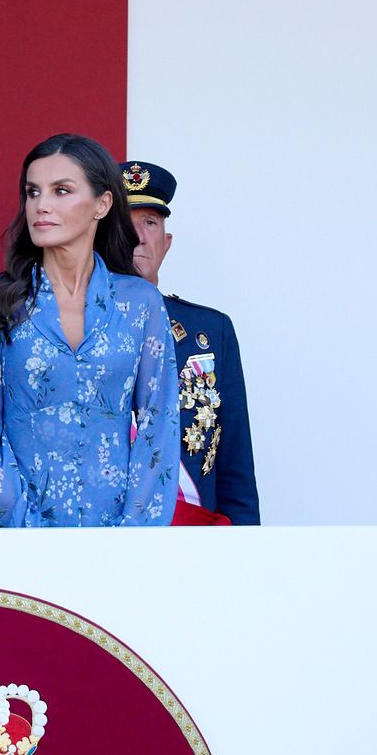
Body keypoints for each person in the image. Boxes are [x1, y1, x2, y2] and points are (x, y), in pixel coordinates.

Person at [0, 131, 179, 527]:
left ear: (102, 203)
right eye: (32, 192)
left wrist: (133, 537)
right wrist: (29, 531)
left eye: (61, 191)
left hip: (123, 546)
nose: (41, 205)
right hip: (22, 540)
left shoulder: (140, 304)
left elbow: (158, 427)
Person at [120, 159, 260, 524]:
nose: (139, 237)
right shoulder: (74, 331)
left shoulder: (210, 333)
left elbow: (235, 465)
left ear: (166, 244)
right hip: (103, 542)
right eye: (125, 224)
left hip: (193, 544)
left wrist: (249, 555)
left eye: (150, 223)